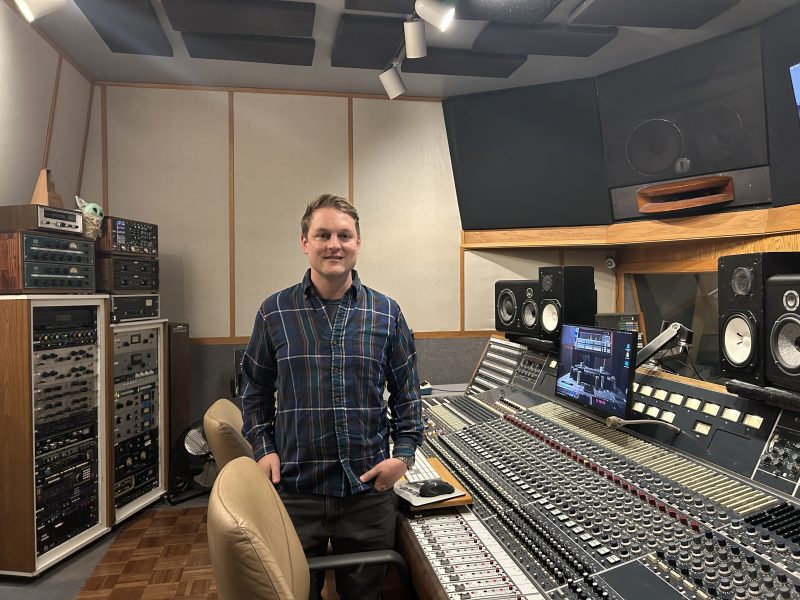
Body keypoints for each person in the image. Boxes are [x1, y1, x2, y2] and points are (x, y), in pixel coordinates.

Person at [240, 193, 423, 600]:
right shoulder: (274, 312)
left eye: (344, 235)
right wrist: (262, 447)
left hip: (367, 494)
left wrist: (404, 456)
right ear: (305, 242)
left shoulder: (387, 313)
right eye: (322, 234)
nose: (333, 244)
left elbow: (408, 395)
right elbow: (253, 390)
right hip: (295, 491)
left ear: (358, 243)